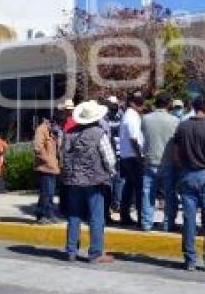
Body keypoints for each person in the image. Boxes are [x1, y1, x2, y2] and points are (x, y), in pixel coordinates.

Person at [62, 100, 117, 264]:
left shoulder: (69, 133)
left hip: (73, 181)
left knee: (74, 216)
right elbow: (109, 158)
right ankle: (95, 253)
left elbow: (63, 156)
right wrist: (111, 173)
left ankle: (71, 251)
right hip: (94, 181)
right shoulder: (99, 133)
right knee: (96, 217)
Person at [174, 94, 205, 271]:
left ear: (193, 107)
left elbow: (176, 155)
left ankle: (190, 260)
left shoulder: (183, 127)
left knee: (189, 219)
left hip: (188, 175)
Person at [140, 92, 180, 232]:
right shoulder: (174, 120)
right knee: (169, 194)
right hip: (168, 161)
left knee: (147, 194)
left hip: (150, 160)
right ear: (168, 104)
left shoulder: (145, 119)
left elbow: (144, 136)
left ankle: (146, 223)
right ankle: (167, 223)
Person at [118, 92, 145, 226]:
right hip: (133, 156)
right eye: (139, 102)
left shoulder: (127, 115)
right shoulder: (132, 117)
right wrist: (140, 157)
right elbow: (134, 139)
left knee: (129, 187)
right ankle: (141, 218)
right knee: (139, 188)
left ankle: (124, 215)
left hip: (126, 156)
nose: (142, 105)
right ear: (132, 103)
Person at [100, 95, 123, 224]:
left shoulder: (121, 116)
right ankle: (110, 207)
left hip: (117, 153)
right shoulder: (104, 118)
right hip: (109, 152)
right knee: (111, 182)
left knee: (117, 181)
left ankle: (115, 204)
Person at [33, 117, 61, 224]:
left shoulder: (52, 131)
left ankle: (49, 214)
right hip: (45, 167)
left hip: (53, 167)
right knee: (45, 193)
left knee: (51, 193)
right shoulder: (41, 130)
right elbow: (37, 147)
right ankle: (41, 215)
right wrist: (48, 160)